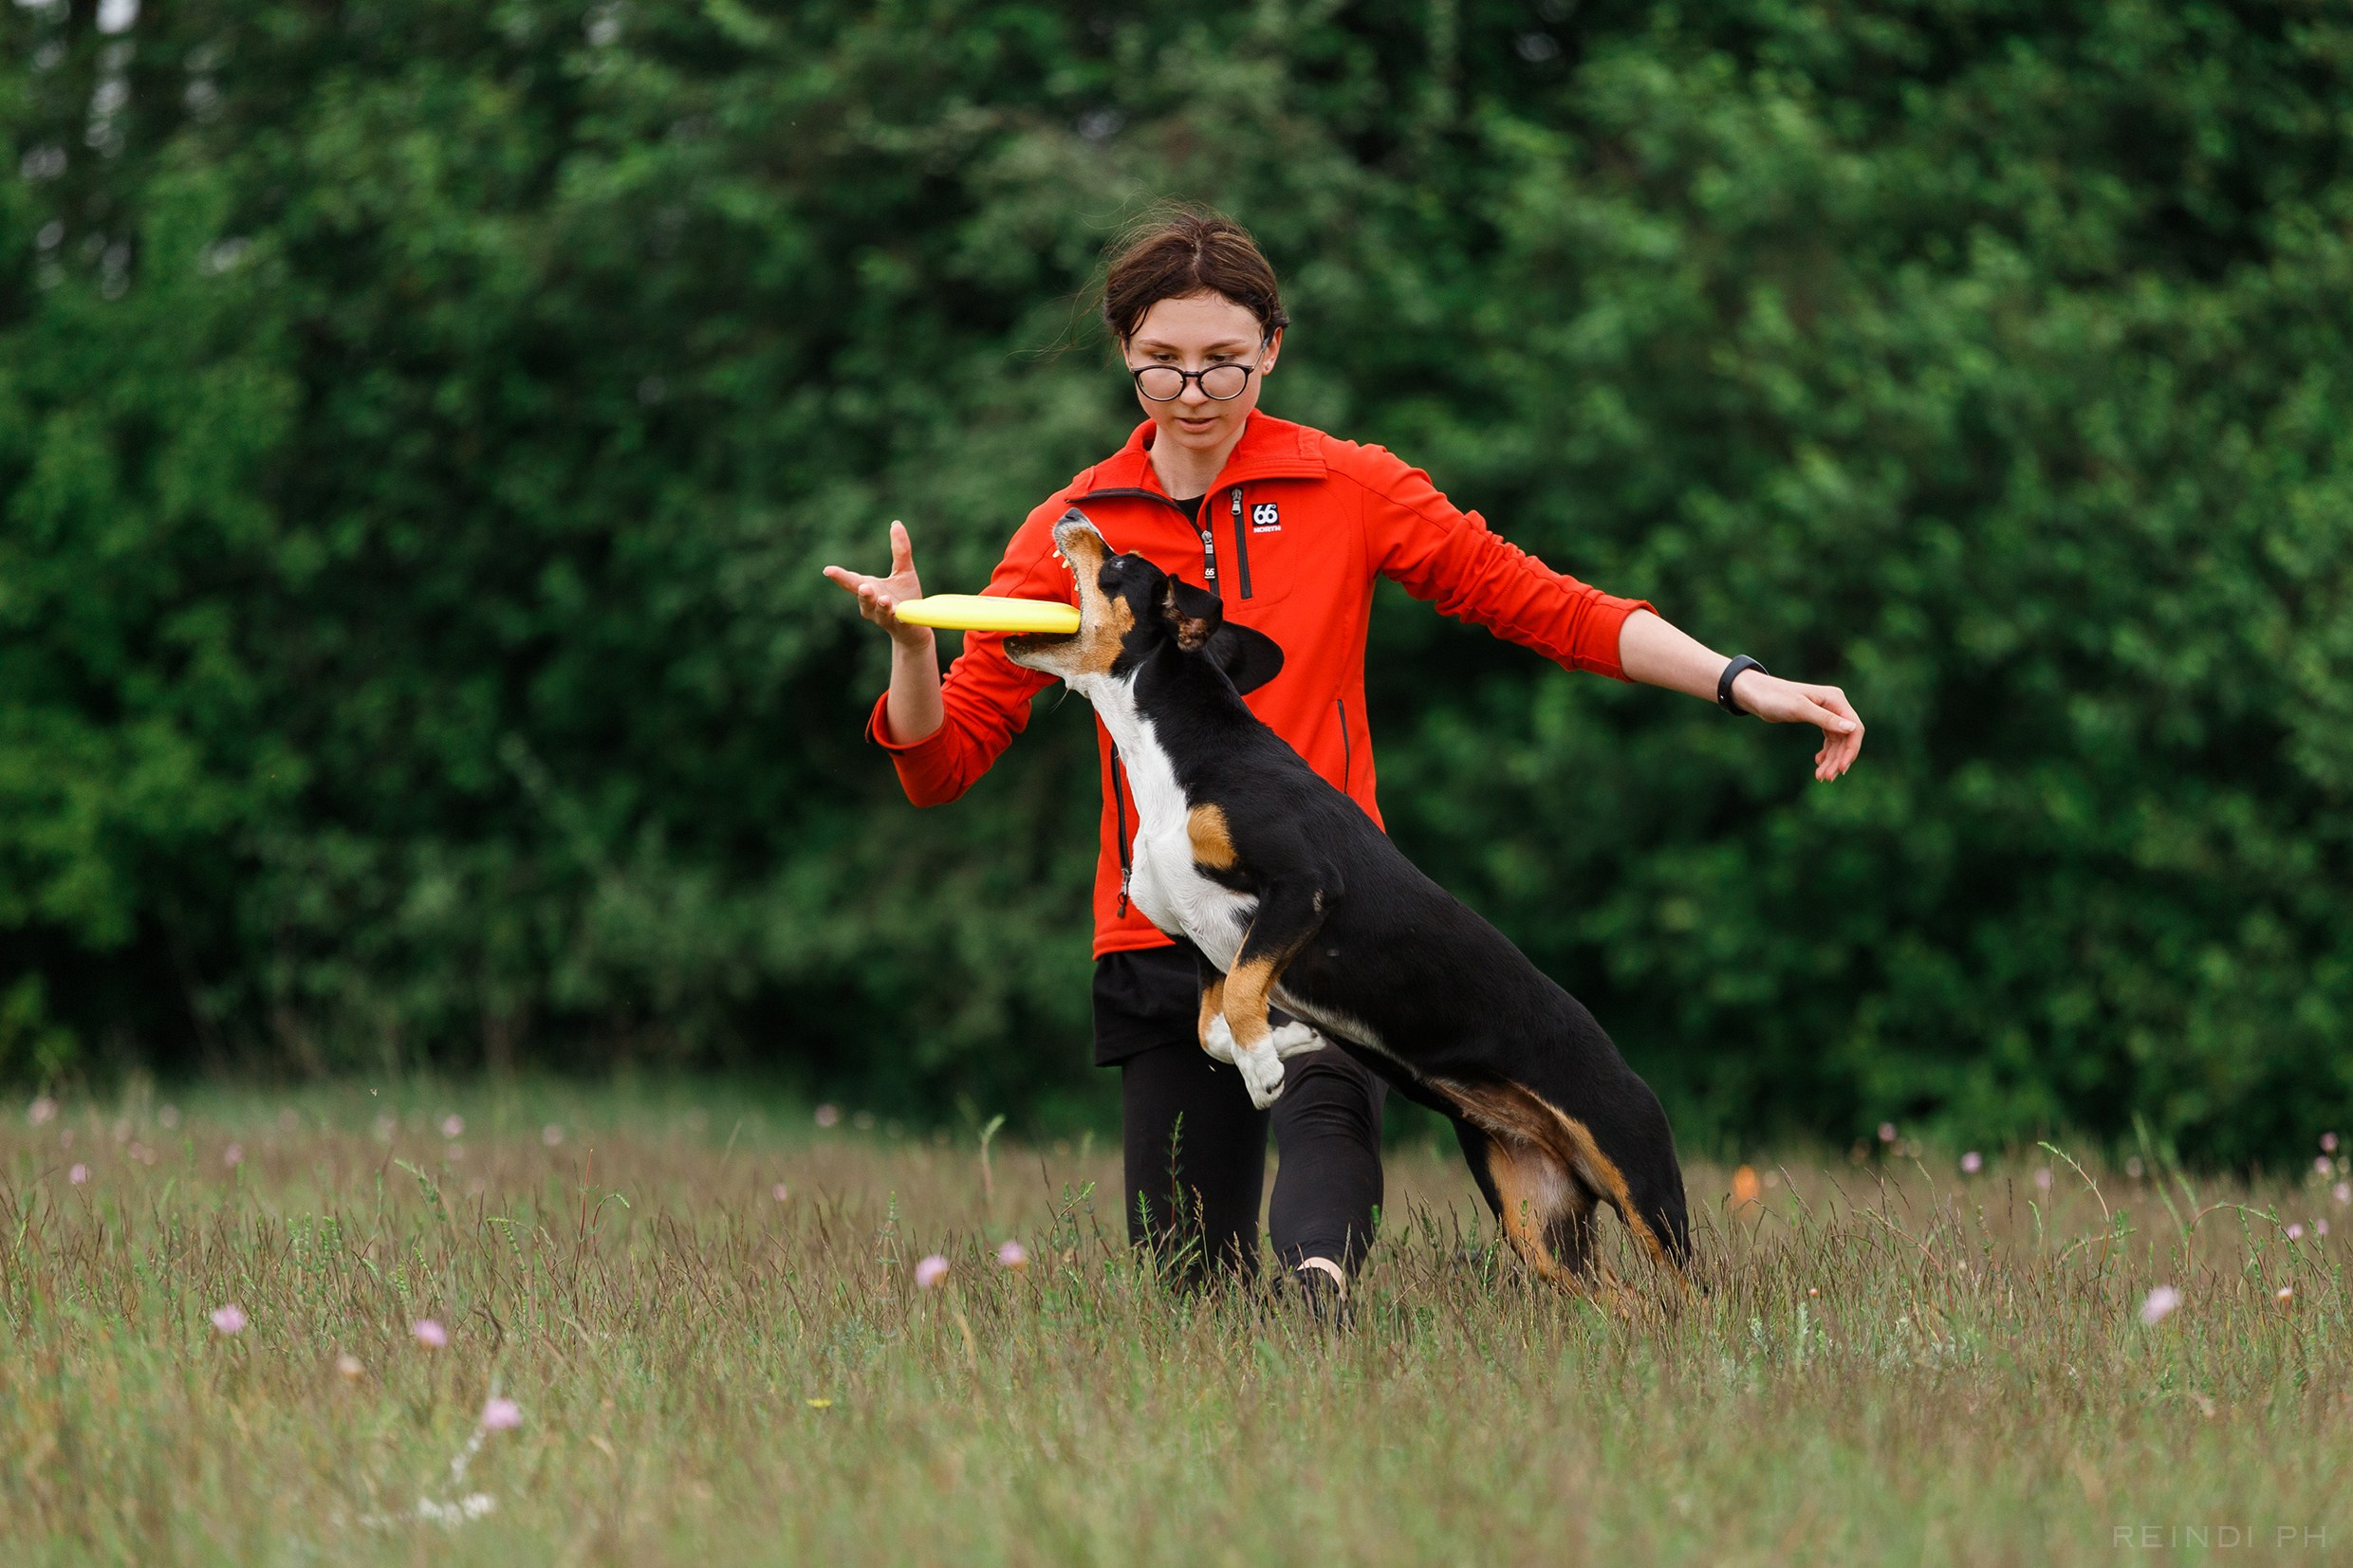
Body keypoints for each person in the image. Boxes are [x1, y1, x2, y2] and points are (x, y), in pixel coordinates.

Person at [824, 206, 1862, 1300]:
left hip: (1318, 910)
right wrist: (911, 647)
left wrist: (1737, 680)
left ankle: (1319, 1291)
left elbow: (1539, 603)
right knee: (1189, 1283)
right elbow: (940, 763)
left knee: (1325, 1131)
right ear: (1124, 355)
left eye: (1223, 364)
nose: (1192, 393)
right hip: (1155, 933)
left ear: (1271, 347)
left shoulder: (1344, 485)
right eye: (1160, 366)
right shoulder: (1070, 530)